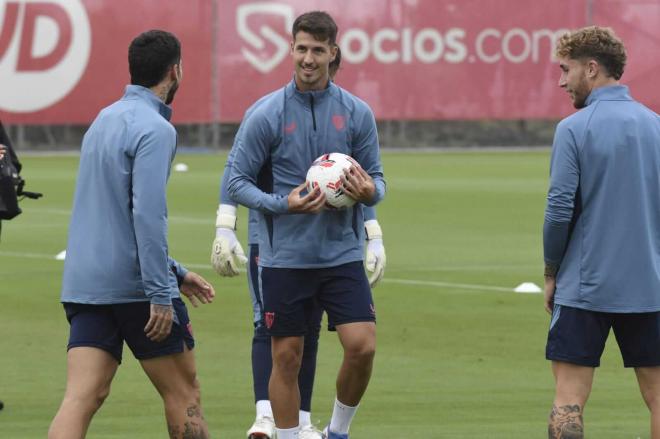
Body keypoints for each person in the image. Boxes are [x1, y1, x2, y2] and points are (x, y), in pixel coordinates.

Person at [211, 48, 386, 439]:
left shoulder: (355, 113)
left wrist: (373, 230)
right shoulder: (266, 111)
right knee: (282, 345)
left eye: (318, 51)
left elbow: (370, 180)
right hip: (279, 248)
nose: (309, 59)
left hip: (339, 252)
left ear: (333, 56)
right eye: (302, 49)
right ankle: (269, 419)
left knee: (361, 345)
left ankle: (325, 429)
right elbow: (236, 175)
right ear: (292, 50)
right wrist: (228, 224)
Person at [48, 30, 215, 439]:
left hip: (86, 285)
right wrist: (161, 290)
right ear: (175, 71)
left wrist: (175, 272)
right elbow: (146, 215)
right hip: (137, 288)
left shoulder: (103, 120)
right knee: (183, 392)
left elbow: (108, 215)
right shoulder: (156, 130)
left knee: (81, 397)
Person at [543, 26, 660, 438]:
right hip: (649, 284)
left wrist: (551, 271)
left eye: (566, 69)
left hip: (584, 285)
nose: (561, 80)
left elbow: (559, 210)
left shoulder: (573, 128)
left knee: (568, 398)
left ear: (591, 68)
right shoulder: (656, 126)